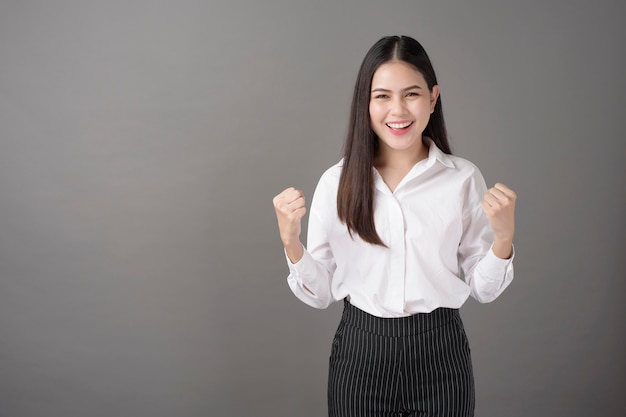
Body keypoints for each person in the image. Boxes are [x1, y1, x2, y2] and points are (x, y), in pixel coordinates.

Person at [272, 35, 516, 417]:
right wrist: (291, 243)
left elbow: (482, 290)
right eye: (382, 95)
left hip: (441, 353)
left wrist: (503, 239)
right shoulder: (337, 183)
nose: (397, 110)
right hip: (360, 352)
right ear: (365, 103)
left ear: (433, 98)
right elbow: (320, 294)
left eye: (412, 94)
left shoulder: (463, 179)